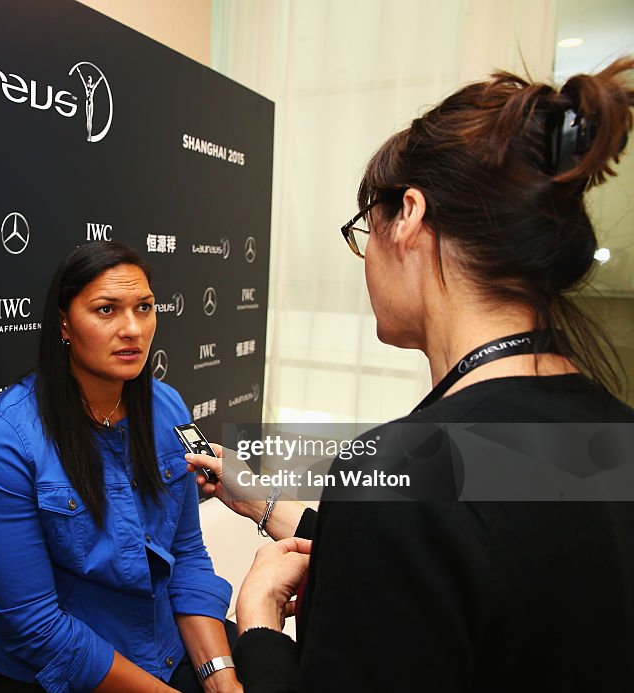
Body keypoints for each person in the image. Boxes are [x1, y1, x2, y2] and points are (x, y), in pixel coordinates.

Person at [187, 57, 634, 691]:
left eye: (362, 230)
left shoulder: (398, 474)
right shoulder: (607, 433)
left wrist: (258, 629)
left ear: (409, 217)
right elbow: (498, 556)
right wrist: (272, 507)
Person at [0, 241, 241, 693]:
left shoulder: (167, 407)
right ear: (64, 323)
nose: (132, 328)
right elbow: (34, 626)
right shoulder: (7, 439)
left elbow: (188, 557)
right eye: (106, 310)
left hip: (161, 647)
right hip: (55, 672)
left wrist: (222, 679)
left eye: (145, 307)